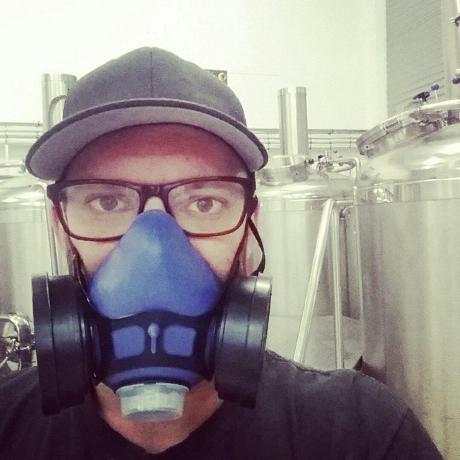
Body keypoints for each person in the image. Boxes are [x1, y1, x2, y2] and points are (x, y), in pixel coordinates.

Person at [0, 47, 442, 460]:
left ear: (250, 228)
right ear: (61, 227)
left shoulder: (363, 434)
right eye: (107, 201)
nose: (154, 248)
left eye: (204, 202)